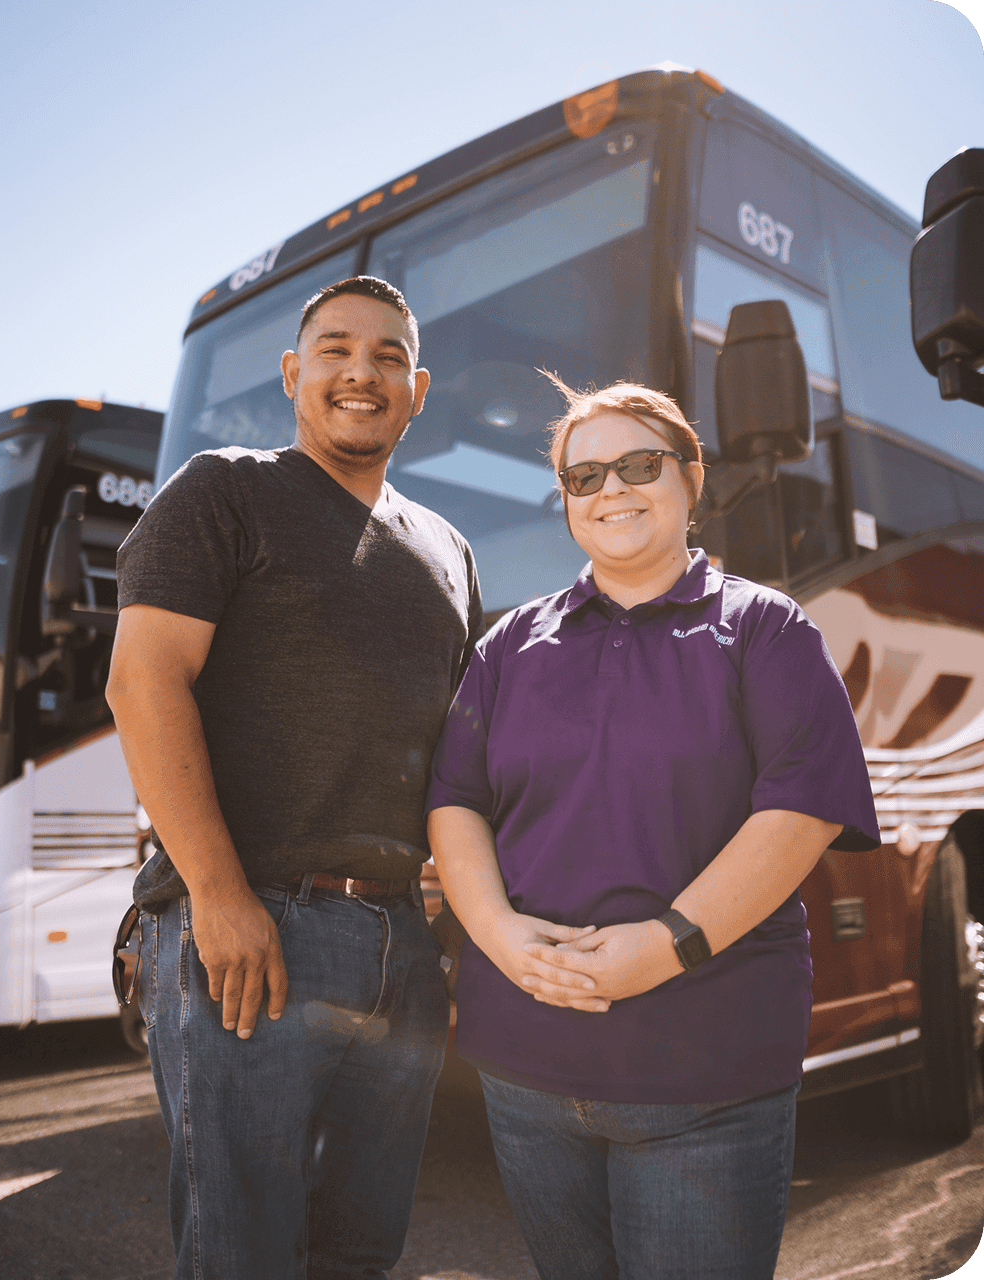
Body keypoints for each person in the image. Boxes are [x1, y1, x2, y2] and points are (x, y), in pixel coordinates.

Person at [425, 377, 880, 1280]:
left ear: (690, 476)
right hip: (525, 1069)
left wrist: (668, 945)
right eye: (583, 476)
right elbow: (456, 803)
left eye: (638, 464)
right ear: (565, 503)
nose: (611, 491)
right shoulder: (506, 649)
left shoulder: (765, 629)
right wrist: (503, 939)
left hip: (706, 1069)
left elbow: (803, 808)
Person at [106, 276, 482, 1280]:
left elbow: (449, 746)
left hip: (400, 948)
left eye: (389, 356)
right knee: (245, 1252)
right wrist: (220, 894)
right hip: (249, 931)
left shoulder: (449, 549)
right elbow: (142, 683)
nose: (362, 372)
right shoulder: (223, 490)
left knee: (363, 1249)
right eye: (336, 349)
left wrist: (447, 913)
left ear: (419, 388)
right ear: (293, 373)